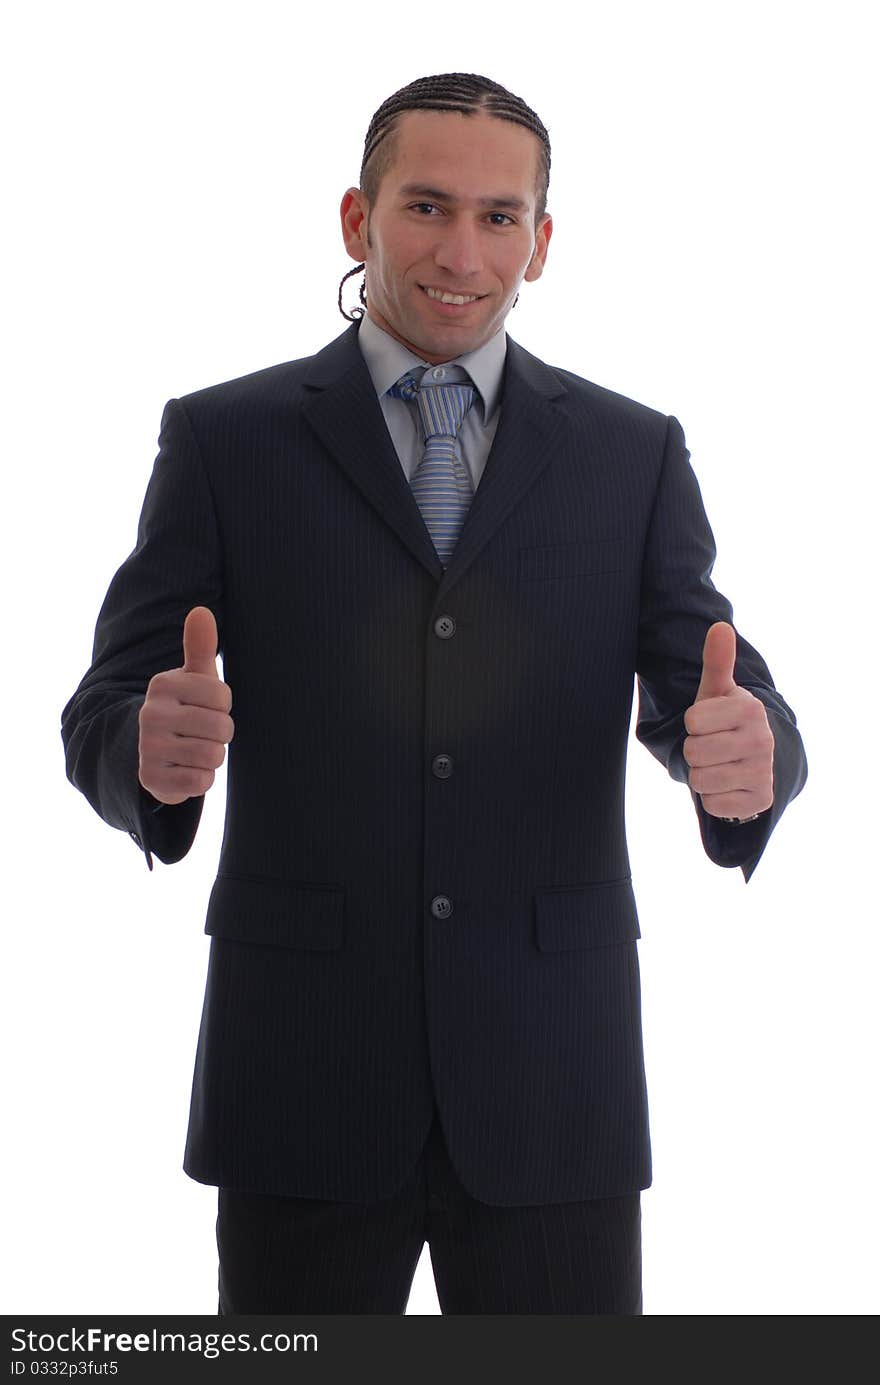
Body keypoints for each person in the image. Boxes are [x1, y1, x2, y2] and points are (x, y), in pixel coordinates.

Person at [60, 72, 807, 1315]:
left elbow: (715, 685)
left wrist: (752, 753)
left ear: (542, 240)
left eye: (500, 216)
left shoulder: (633, 453)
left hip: (551, 1077)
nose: (464, 252)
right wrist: (142, 748)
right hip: (302, 1069)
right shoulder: (224, 440)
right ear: (357, 220)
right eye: (426, 207)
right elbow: (102, 704)